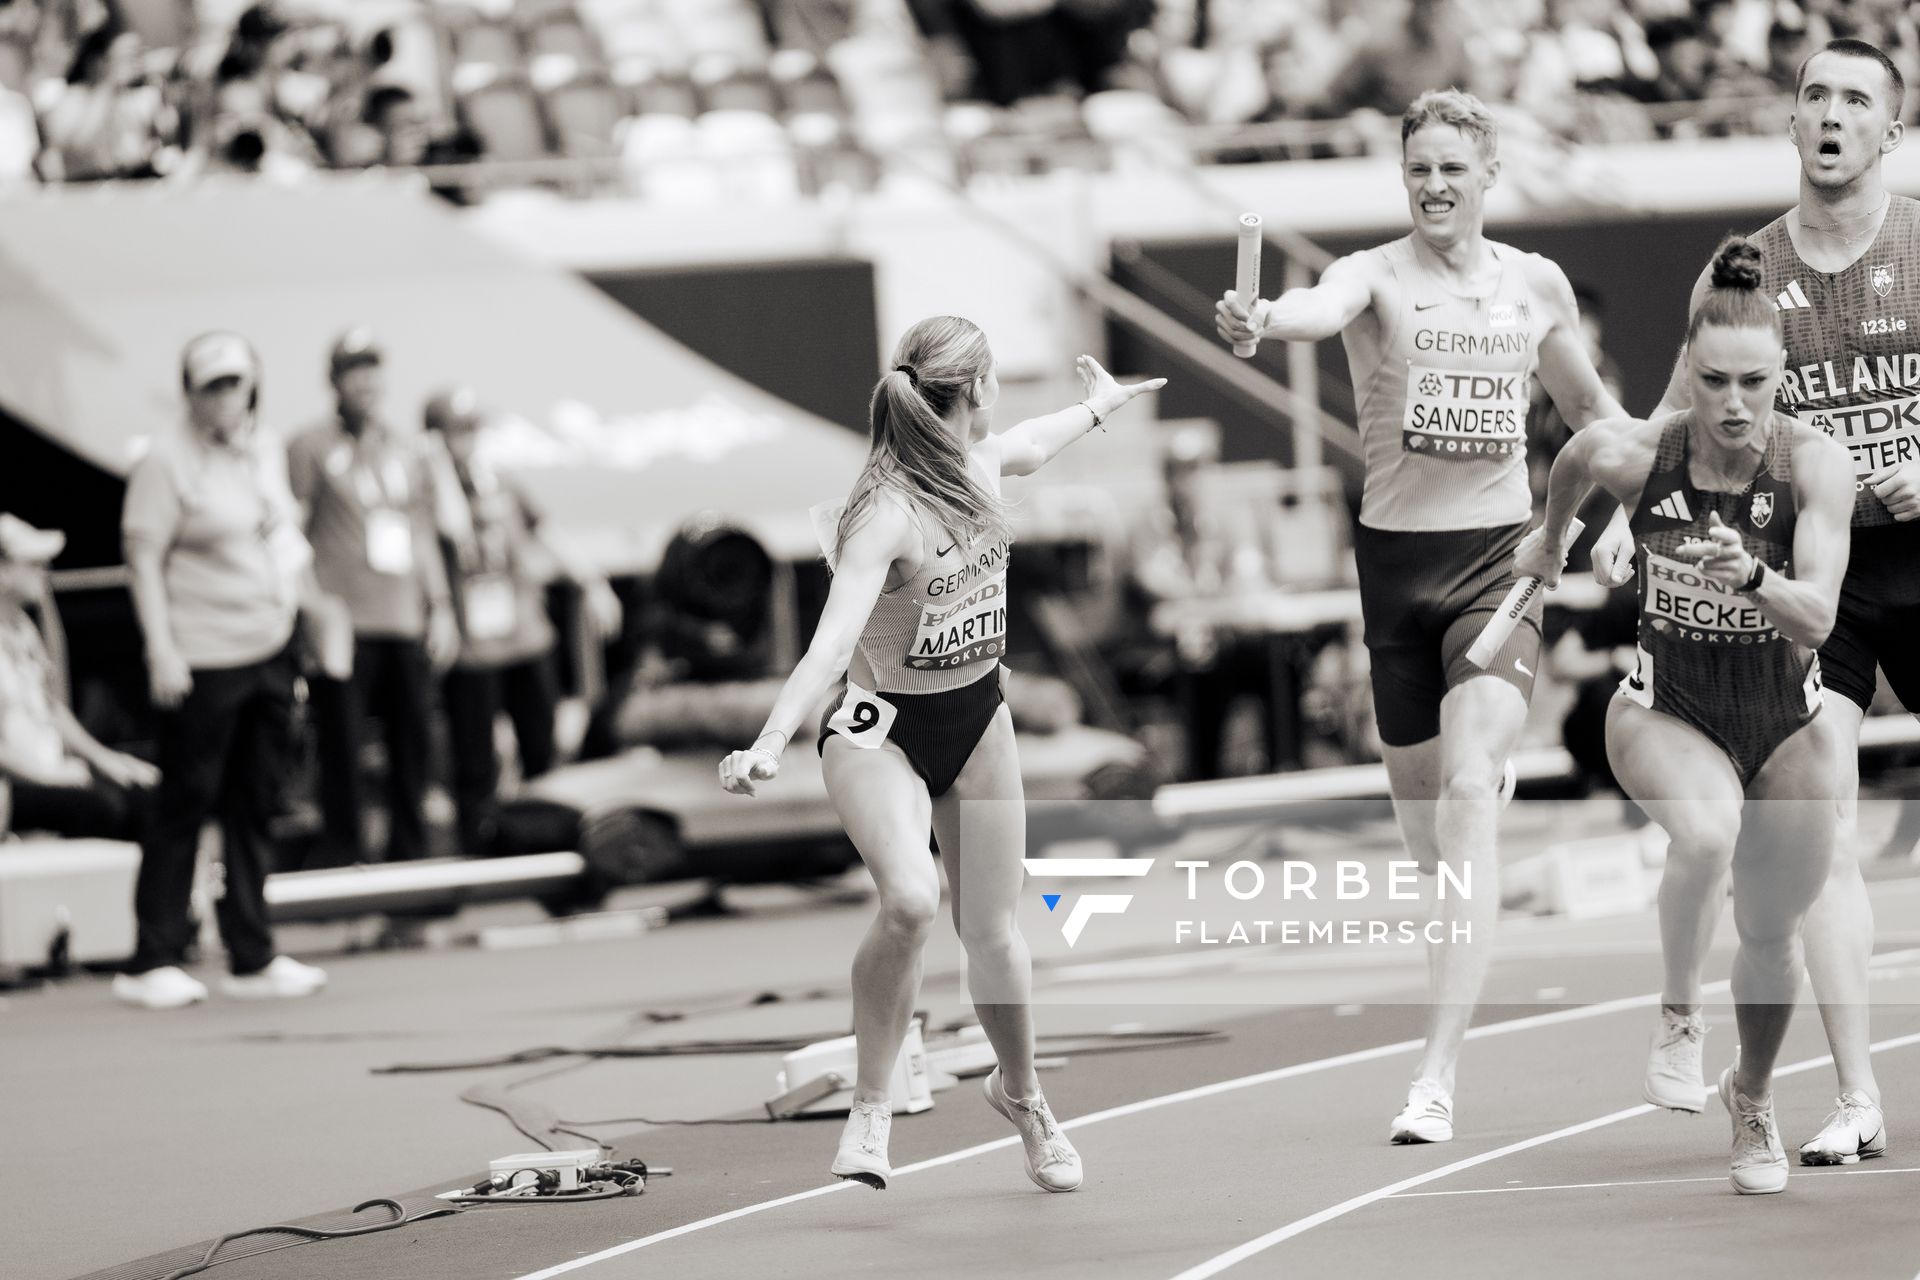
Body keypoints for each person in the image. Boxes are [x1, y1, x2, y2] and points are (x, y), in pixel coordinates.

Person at [1216, 88, 1627, 1143]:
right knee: (1431, 846)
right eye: (1419, 169)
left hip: (1499, 560)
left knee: (1469, 789)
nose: (1435, 185)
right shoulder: (1374, 276)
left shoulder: (1533, 286)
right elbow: (1309, 306)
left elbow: (1590, 414)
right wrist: (1263, 317)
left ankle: (1436, 1071)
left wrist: (1636, 504)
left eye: (1453, 167)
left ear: (1488, 174)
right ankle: (1454, 955)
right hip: (1396, 572)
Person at [719, 318, 1163, 1192]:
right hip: (879, 728)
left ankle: (1023, 1095)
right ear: (979, 390)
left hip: (977, 720)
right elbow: (827, 645)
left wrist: (1098, 409)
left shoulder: (984, 462)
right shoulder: (884, 512)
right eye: (998, 386)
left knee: (992, 933)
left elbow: (1036, 442)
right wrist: (770, 740)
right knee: (913, 902)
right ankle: (871, 1109)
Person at [1520, 237, 1854, 1193]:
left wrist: (1751, 577)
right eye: (1714, 381)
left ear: (1782, 375)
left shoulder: (1813, 467)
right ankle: (1677, 1013)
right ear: (1690, 376)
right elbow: (1578, 453)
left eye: (1755, 381)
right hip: (1667, 709)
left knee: (1770, 935)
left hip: (1785, 722)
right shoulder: (1647, 454)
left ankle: (1750, 1096)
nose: (1736, 403)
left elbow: (1822, 616)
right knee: (1707, 837)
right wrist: (1549, 547)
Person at [1639, 38, 1917, 1165]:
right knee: (1823, 827)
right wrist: (1614, 516)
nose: (1833, 114)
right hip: (1812, 575)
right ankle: (1856, 1093)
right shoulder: (1740, 270)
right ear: (1792, 124)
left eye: (1858, 99)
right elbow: (1669, 414)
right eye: (1815, 96)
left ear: (1890, 131)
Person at [119, 333, 331, 1009]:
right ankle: (152, 957)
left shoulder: (262, 447)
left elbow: (280, 540)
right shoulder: (165, 461)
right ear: (190, 393)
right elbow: (143, 561)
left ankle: (251, 952)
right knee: (186, 797)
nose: (226, 396)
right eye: (212, 385)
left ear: (252, 387)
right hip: (202, 655)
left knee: (255, 801)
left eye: (235, 383)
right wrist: (161, 649)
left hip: (268, 645)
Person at [287, 329, 460, 867]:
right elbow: (291, 531)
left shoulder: (406, 446)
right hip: (342, 620)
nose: (364, 380)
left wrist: (442, 607)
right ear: (334, 380)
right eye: (352, 369)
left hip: (402, 616)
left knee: (413, 745)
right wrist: (308, 605)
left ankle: (410, 856)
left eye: (371, 369)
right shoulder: (308, 445)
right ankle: (345, 854)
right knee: (340, 746)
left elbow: (423, 532)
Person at [423, 387, 620, 856]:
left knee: (541, 754)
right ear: (435, 438)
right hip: (472, 650)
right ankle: (479, 854)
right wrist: (436, 472)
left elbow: (546, 532)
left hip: (524, 638)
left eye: (473, 430)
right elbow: (438, 541)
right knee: (475, 764)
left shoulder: (502, 482)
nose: (468, 441)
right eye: (457, 431)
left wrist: (592, 583)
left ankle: (551, 847)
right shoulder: (428, 494)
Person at [0, 515, 158, 842]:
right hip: (13, 786)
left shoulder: (22, 629)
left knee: (149, 797)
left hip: (50, 772)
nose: (45, 572)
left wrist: (109, 761)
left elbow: (51, 709)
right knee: (102, 808)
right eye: (32, 563)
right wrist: (47, 776)